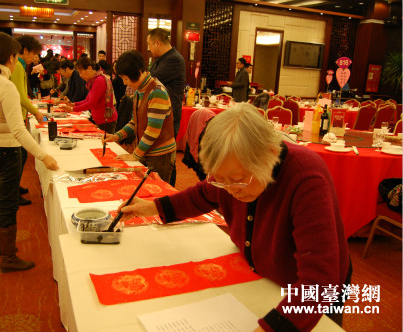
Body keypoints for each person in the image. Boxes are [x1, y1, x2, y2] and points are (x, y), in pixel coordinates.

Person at [117, 103, 351, 332]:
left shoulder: (305, 177)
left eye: (238, 179)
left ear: (269, 155)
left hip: (307, 291)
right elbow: (202, 195)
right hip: (263, 278)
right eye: (220, 179)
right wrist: (152, 207)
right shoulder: (230, 170)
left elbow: (320, 282)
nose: (229, 189)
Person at [0, 32, 59, 273]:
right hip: (5, 151)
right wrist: (44, 156)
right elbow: (18, 131)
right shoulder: (4, 85)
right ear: (11, 57)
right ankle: (8, 258)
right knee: (7, 203)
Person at [104, 50, 176, 182]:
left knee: (156, 193)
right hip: (146, 151)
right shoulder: (139, 91)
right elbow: (134, 122)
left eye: (125, 78)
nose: (125, 83)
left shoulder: (157, 92)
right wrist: (117, 136)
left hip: (160, 155)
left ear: (136, 73)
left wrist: (135, 155)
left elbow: (153, 131)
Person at [147, 28, 185, 186]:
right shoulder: (161, 59)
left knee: (167, 157)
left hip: (169, 115)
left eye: (149, 44)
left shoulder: (174, 59)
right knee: (158, 157)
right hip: (160, 113)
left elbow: (151, 79)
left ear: (157, 43)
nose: (149, 49)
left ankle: (169, 189)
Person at [10, 35, 45, 206]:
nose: (34, 58)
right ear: (24, 50)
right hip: (16, 116)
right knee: (19, 155)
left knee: (20, 155)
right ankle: (13, 191)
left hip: (19, 114)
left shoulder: (19, 66)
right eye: (33, 54)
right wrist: (36, 112)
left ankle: (15, 187)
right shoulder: (17, 66)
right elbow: (20, 96)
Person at [61, 57, 117, 134]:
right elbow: (87, 100)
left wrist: (72, 109)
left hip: (106, 121)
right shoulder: (94, 81)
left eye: (80, 72)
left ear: (89, 68)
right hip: (101, 120)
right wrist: (73, 104)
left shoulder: (99, 81)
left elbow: (91, 103)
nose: (80, 75)